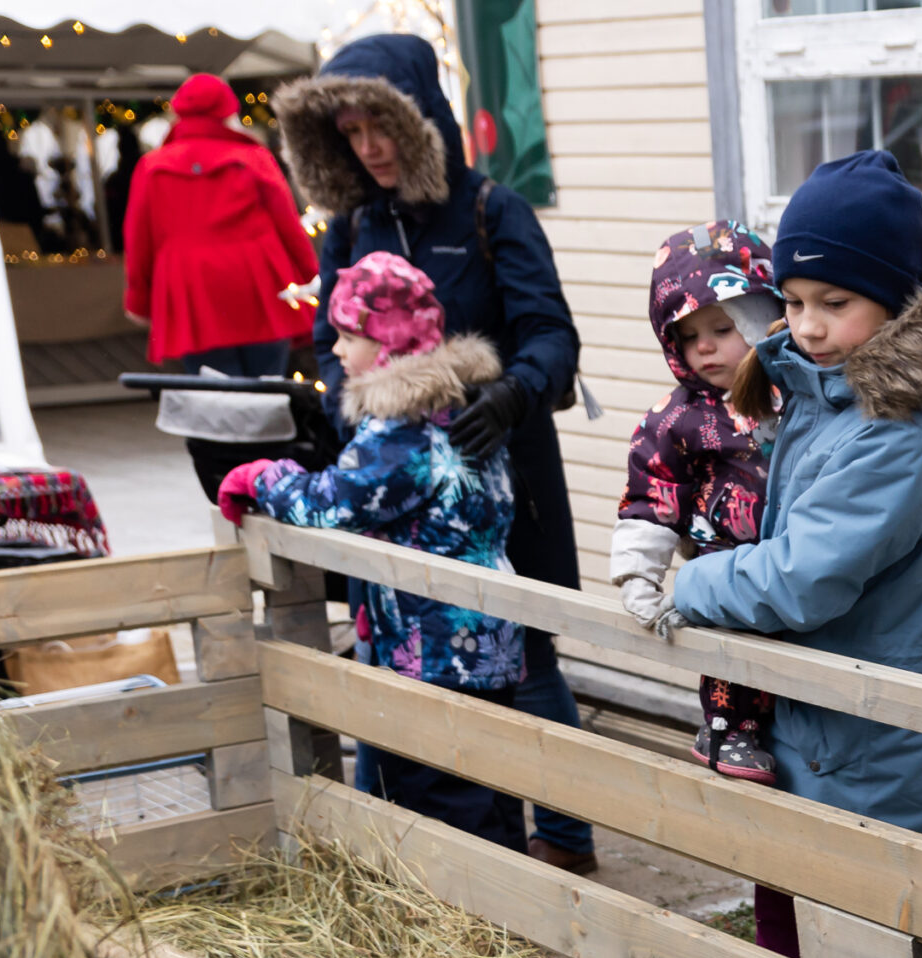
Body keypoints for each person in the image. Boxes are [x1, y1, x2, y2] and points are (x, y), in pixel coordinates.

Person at [668, 151, 922, 958]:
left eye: (835, 303)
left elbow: (802, 577)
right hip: (828, 736)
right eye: (792, 302)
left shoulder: (900, 431)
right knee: (800, 945)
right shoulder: (832, 400)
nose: (809, 326)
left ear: (898, 300)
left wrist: (691, 581)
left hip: (884, 758)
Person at [272, 35, 597, 874]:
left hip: (499, 478)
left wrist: (513, 391)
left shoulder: (493, 213)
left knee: (526, 656)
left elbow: (551, 333)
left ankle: (563, 836)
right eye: (349, 130)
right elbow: (326, 340)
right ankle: (397, 840)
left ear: (421, 120)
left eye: (381, 124)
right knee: (393, 652)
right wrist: (352, 430)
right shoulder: (350, 226)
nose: (369, 147)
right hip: (396, 492)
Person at [216, 252, 532, 853]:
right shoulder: (462, 405)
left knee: (435, 805)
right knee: (490, 791)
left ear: (387, 341)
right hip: (489, 637)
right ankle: (509, 924)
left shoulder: (400, 430)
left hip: (432, 648)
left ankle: (468, 931)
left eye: (349, 335)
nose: (335, 349)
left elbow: (331, 502)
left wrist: (262, 477)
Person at [608, 221, 784, 783]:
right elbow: (649, 497)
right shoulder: (679, 417)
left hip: (792, 560)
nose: (705, 346)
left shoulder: (794, 396)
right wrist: (638, 577)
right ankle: (726, 731)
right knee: (731, 648)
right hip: (722, 562)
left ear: (763, 315)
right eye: (688, 335)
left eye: (723, 326)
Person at [120, 74, 315, 376]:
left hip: (191, 289)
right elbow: (289, 228)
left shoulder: (152, 167)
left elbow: (138, 241)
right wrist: (312, 280)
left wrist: (139, 301)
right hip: (260, 283)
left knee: (218, 401)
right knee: (269, 390)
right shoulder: (254, 158)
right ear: (229, 112)